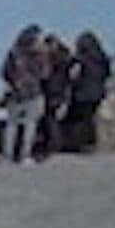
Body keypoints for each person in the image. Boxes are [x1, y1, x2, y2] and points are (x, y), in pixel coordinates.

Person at [0, 27, 46, 164]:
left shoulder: (14, 52)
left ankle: (7, 155)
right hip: (33, 92)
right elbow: (45, 73)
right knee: (30, 125)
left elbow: (4, 72)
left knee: (11, 125)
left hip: (15, 92)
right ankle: (25, 155)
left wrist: (13, 81)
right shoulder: (38, 54)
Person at [66, 31, 111, 153]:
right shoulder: (102, 58)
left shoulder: (81, 58)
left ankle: (82, 144)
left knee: (81, 119)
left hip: (83, 92)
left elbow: (70, 72)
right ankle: (90, 143)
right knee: (90, 118)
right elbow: (108, 73)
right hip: (98, 93)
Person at [35, 35, 73, 163]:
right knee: (52, 119)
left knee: (50, 119)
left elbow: (45, 75)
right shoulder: (67, 57)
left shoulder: (54, 58)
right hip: (60, 91)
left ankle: (51, 146)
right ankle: (54, 145)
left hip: (53, 91)